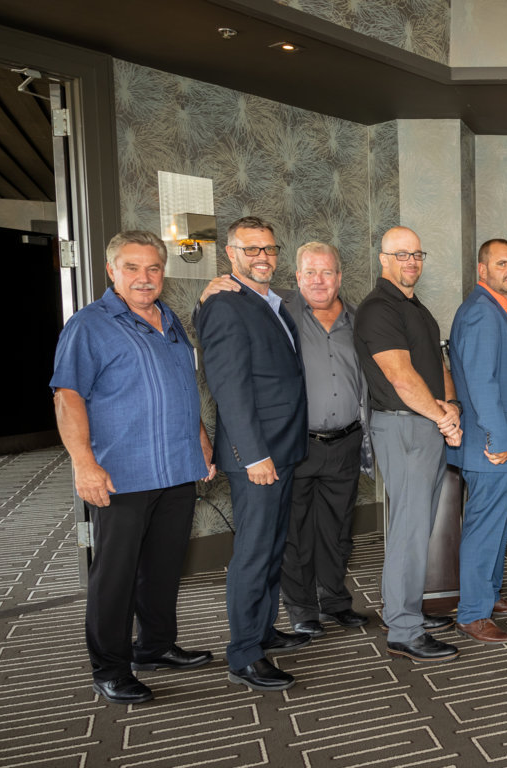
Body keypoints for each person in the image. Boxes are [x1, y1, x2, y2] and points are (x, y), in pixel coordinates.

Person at [51, 230, 216, 705]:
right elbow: (67, 397)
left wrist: (201, 442)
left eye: (153, 268)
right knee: (116, 576)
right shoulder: (89, 325)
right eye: (132, 268)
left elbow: (182, 388)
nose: (144, 278)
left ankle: (155, 646)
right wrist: (84, 464)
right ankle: (110, 667)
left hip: (176, 468)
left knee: (163, 567)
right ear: (111, 271)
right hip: (121, 472)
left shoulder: (170, 320)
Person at [198, 242, 371, 638]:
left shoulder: (358, 319)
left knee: (337, 530)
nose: (319, 280)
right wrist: (204, 297)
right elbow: (225, 319)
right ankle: (302, 609)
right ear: (296, 277)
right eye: (310, 272)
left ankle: (335, 600)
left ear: (339, 277)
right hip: (296, 444)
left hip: (346, 441)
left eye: (327, 272)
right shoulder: (277, 312)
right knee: (294, 532)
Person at [195, 216, 310, 692]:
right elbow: (230, 388)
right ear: (230, 253)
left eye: (269, 249)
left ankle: (262, 631)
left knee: (272, 548)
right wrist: (253, 454)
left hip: (283, 448)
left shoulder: (270, 302)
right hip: (259, 455)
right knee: (253, 552)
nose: (263, 257)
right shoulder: (225, 304)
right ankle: (243, 653)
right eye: (251, 249)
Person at [353, 225, 461, 662]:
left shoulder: (415, 307)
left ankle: (406, 610)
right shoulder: (378, 309)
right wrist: (443, 417)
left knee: (418, 526)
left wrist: (451, 406)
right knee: (409, 531)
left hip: (426, 424)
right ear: (383, 259)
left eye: (417, 254)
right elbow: (401, 377)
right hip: (404, 427)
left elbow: (436, 364)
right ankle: (403, 629)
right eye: (401, 255)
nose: (411, 262)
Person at [447, 239, 507, 643]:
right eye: (502, 263)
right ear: (482, 270)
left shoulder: (500, 308)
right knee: (484, 530)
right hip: (493, 445)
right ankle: (473, 613)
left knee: (498, 527)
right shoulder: (480, 312)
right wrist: (499, 438)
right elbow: (480, 382)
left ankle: (488, 595)